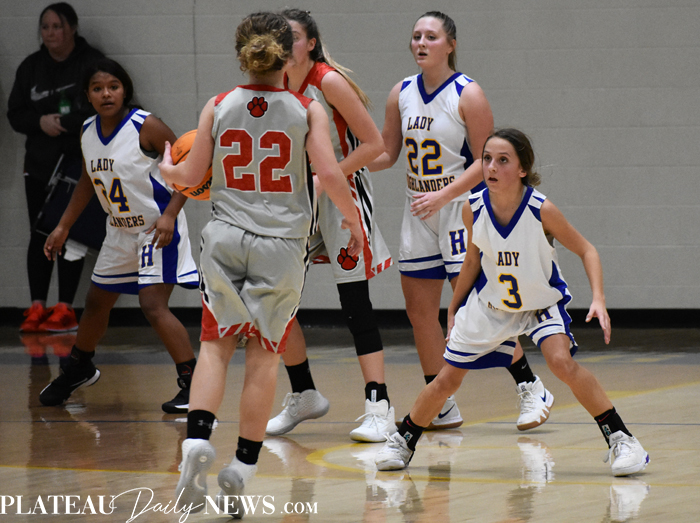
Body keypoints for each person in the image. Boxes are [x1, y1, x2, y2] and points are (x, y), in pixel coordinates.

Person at [159, 12, 364, 516]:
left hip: (225, 238)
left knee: (214, 347)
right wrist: (353, 221)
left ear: (242, 53)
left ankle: (196, 442)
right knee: (264, 357)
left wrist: (167, 169)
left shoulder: (218, 105)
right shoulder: (306, 109)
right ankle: (242, 466)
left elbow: (190, 174)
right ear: (287, 54)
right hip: (281, 246)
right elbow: (330, 175)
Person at [374, 128, 650, 477]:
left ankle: (622, 439)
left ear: (522, 169)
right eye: (487, 159)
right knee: (447, 380)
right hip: (493, 305)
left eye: (502, 160)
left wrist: (598, 298)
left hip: (538, 303)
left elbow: (587, 250)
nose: (491, 167)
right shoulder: (473, 209)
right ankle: (404, 440)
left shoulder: (541, 209)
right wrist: (455, 307)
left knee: (561, 362)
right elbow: (472, 261)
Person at [369, 11, 551, 431]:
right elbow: (388, 153)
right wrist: (345, 165)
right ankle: (441, 403)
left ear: (450, 45)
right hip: (419, 209)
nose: (421, 43)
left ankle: (531, 385)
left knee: (475, 308)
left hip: (459, 209)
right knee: (419, 311)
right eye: (416, 36)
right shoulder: (401, 92)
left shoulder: (468, 93)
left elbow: (487, 162)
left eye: (431, 37)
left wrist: (445, 194)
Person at [39, 58, 200, 414]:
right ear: (87, 95)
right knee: (97, 302)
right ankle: (79, 367)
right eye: (97, 88)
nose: (106, 94)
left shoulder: (146, 125)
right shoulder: (87, 130)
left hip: (157, 228)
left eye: (113, 86)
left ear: (125, 90)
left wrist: (170, 215)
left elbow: (189, 168)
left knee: (152, 306)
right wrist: (64, 226)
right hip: (119, 230)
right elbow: (88, 179)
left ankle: (194, 384)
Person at [265, 8, 394, 443]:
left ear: (312, 43)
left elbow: (374, 145)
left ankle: (379, 405)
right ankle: (303, 393)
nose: (286, 44)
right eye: (280, 36)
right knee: (275, 298)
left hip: (344, 193)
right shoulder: (275, 82)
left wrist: (327, 176)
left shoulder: (329, 82)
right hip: (298, 198)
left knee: (354, 301)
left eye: (294, 36)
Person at [8, 2, 104, 334]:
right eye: (45, 27)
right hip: (39, 164)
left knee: (70, 233)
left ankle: (64, 307)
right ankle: (37, 305)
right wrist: (40, 122)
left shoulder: (92, 64)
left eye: (57, 26)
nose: (50, 33)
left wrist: (66, 122)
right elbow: (15, 114)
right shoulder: (31, 67)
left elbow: (104, 107)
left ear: (72, 28)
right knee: (40, 232)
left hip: (76, 164)